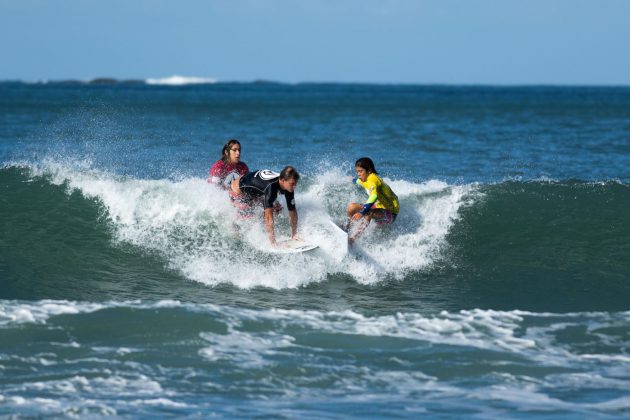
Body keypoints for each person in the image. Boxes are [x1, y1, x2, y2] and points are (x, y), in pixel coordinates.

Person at [230, 166, 300, 246]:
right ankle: (235, 229)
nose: (295, 186)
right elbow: (268, 217)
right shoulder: (271, 187)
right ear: (283, 180)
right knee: (248, 218)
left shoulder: (289, 186)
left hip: (256, 189)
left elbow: (292, 210)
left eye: (296, 183)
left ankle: (268, 232)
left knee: (277, 209)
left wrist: (294, 234)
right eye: (292, 184)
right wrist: (273, 243)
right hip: (238, 191)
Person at [346, 157, 399, 243]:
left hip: (391, 214)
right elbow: (358, 181)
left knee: (368, 212)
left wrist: (362, 212)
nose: (358, 174)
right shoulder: (365, 179)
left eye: (361, 171)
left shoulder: (372, 179)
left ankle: (353, 239)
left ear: (369, 170)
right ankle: (347, 228)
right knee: (352, 207)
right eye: (357, 172)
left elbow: (374, 196)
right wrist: (352, 180)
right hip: (379, 208)